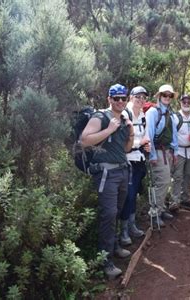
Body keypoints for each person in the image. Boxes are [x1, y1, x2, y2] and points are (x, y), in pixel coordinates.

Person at [80, 83, 134, 279]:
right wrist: (110, 129)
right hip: (106, 175)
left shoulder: (125, 117)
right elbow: (84, 141)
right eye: (116, 98)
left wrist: (131, 132)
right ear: (109, 99)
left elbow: (127, 150)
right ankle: (105, 261)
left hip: (122, 172)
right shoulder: (100, 117)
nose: (120, 101)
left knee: (117, 212)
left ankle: (115, 246)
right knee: (108, 215)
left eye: (123, 98)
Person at [119, 86, 151, 246]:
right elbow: (123, 141)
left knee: (134, 195)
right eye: (137, 96)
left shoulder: (143, 115)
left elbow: (145, 134)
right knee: (128, 196)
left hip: (139, 160)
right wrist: (140, 143)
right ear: (131, 97)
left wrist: (146, 145)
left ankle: (132, 225)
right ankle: (124, 231)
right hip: (127, 161)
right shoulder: (126, 114)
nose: (141, 99)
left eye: (143, 97)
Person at [145, 84, 178, 227]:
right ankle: (154, 213)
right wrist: (152, 155)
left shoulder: (170, 112)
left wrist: (175, 152)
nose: (167, 98)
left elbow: (174, 134)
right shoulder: (153, 112)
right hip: (158, 152)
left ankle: (162, 208)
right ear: (159, 96)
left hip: (168, 152)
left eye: (170, 95)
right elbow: (149, 135)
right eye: (164, 95)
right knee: (162, 182)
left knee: (166, 182)